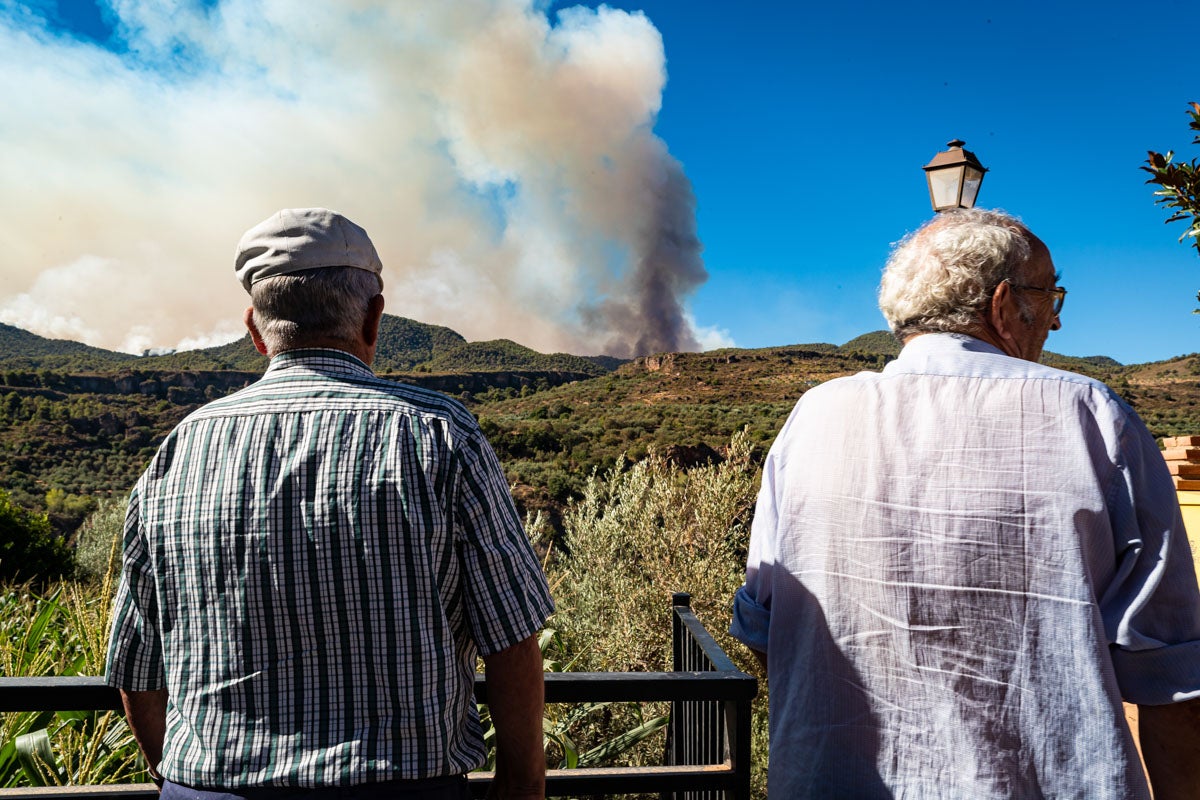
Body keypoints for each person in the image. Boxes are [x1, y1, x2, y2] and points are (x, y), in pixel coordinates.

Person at [730, 208, 1200, 798]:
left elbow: (761, 625)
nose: (1055, 324)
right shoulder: (1091, 416)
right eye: (1051, 298)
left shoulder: (813, 416)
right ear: (1003, 305)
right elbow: (1172, 676)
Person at [106, 208, 554, 800]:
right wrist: (523, 785)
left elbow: (138, 667)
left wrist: (184, 780)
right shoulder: (442, 434)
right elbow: (512, 639)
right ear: (373, 317)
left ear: (255, 330)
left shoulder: (178, 449)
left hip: (209, 788)